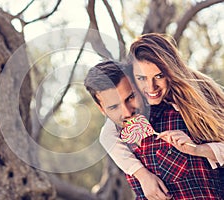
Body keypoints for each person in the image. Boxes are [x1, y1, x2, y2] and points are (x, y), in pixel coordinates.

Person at [101, 33, 223, 199]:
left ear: (171, 71)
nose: (151, 87)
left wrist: (198, 149)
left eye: (159, 76)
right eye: (141, 78)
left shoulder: (198, 95)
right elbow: (107, 136)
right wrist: (142, 175)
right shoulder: (131, 110)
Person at [84, 60, 173, 200]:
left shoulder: (170, 108)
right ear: (101, 109)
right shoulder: (111, 131)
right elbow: (108, 139)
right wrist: (143, 175)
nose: (126, 112)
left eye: (131, 97)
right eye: (113, 107)